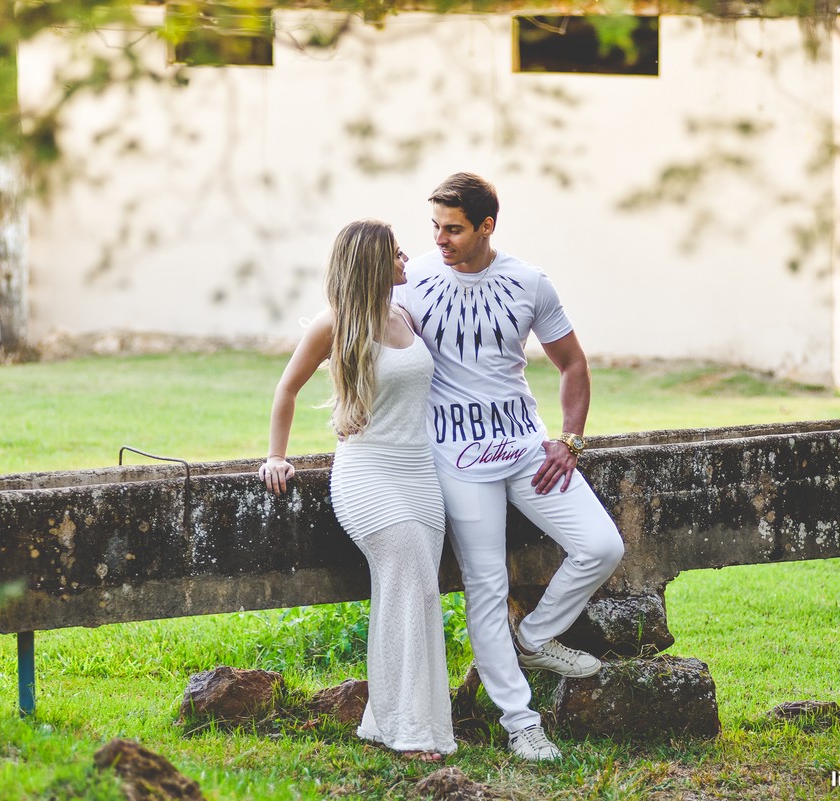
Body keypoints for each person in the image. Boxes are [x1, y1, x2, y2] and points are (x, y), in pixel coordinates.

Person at [393, 173, 625, 762]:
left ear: (486, 226)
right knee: (486, 585)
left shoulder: (529, 282)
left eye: (453, 229)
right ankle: (522, 723)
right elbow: (371, 348)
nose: (439, 239)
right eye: (435, 227)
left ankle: (537, 636)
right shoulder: (412, 281)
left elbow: (573, 364)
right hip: (457, 457)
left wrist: (569, 439)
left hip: (527, 449)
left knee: (602, 546)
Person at [259, 219, 456, 761]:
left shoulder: (405, 314)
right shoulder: (335, 323)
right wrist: (276, 455)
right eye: (396, 254)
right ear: (371, 262)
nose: (406, 260)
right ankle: (409, 730)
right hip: (368, 476)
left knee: (416, 593)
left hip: (420, 476)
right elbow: (286, 388)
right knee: (409, 584)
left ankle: (392, 719)